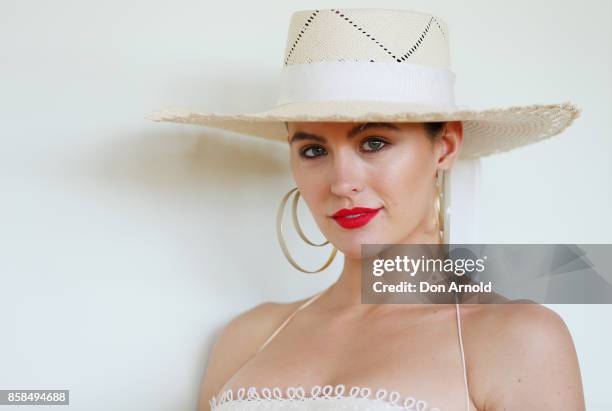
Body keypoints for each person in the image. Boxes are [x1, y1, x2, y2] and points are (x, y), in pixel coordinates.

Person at [150, 8, 585, 411]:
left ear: (445, 146)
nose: (341, 182)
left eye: (374, 142)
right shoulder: (248, 337)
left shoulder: (517, 339)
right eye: (313, 149)